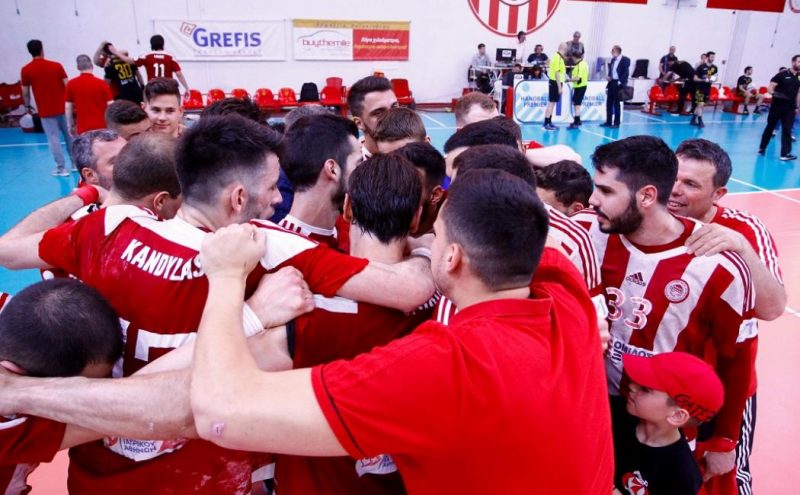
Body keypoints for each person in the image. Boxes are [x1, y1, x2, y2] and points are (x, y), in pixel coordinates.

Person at [0, 114, 434, 493]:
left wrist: (85, 196)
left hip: (96, 474)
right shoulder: (266, 246)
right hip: (200, 478)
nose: (277, 198)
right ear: (238, 198)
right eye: (271, 187)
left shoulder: (107, 226)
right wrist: (425, 248)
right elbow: (406, 291)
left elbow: (10, 251)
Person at [182, 163, 614, 494]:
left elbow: (220, 412)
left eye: (436, 235)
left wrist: (226, 276)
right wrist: (420, 259)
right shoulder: (566, 294)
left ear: (453, 257)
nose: (426, 239)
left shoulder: (446, 364)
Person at [571, 135, 756, 486]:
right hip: (592, 403)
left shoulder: (716, 265)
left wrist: (725, 438)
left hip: (664, 421)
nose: (592, 200)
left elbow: (737, 359)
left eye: (606, 191)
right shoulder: (582, 232)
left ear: (646, 196)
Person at [273, 154, 431, 495]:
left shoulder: (301, 306)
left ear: (347, 209)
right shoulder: (444, 302)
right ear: (416, 219)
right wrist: (425, 254)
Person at [668, 138, 786, 495]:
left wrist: (740, 247)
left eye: (690, 184)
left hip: (724, 390)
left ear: (718, 194)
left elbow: (772, 307)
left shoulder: (744, 228)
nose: (675, 190)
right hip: (660, 385)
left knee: (728, 477)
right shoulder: (650, 218)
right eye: (673, 177)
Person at [0, 279, 123, 495]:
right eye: (83, 387)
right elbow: (128, 416)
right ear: (15, 373)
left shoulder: (19, 321)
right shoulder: (6, 424)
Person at [613, 352, 723, 495]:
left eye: (645, 389)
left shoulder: (682, 474)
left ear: (677, 416)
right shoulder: (615, 412)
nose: (632, 386)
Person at [279, 113, 362, 249]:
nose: (365, 173)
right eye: (359, 164)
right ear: (332, 170)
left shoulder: (352, 229)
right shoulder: (282, 250)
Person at [20, 39, 73, 176]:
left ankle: (61, 168)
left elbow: (25, 92)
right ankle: (75, 164)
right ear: (42, 49)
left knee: (53, 139)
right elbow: (67, 85)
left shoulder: (26, 70)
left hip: (45, 110)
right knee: (69, 136)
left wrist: (27, 106)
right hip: (63, 107)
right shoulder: (56, 66)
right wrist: (71, 104)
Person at [392, 142, 447, 236]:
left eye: (410, 187)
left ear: (435, 195)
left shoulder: (455, 226)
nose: (397, 191)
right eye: (394, 182)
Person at [111, 35, 189, 93]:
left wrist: (115, 52)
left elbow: (129, 60)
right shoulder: (170, 56)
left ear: (151, 44)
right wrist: (186, 88)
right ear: (163, 44)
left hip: (153, 88)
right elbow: (179, 74)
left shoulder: (147, 56)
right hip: (167, 88)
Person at [758, 55, 800, 160]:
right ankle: (762, 147)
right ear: (793, 62)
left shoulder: (799, 77)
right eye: (799, 61)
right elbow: (770, 89)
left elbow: (798, 93)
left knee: (787, 130)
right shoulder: (781, 75)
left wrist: (797, 107)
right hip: (777, 106)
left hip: (790, 108)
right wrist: (777, 94)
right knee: (770, 127)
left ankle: (785, 154)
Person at [346, 76, 399, 157]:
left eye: (394, 107)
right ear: (359, 123)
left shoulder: (415, 152)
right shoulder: (353, 163)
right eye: (379, 113)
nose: (393, 117)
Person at [65, 54, 113, 135]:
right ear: (92, 66)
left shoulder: (71, 84)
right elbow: (111, 105)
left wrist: (69, 125)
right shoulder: (101, 83)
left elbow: (67, 108)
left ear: (78, 68)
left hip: (83, 128)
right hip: (102, 126)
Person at [602, 45, 630, 129]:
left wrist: (620, 82)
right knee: (609, 103)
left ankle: (616, 123)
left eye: (612, 51)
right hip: (612, 82)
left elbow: (625, 73)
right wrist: (609, 77)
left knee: (616, 104)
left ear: (617, 51)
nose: (611, 52)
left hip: (618, 83)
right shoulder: (613, 60)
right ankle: (608, 121)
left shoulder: (625, 60)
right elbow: (612, 70)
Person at [543, 42, 568, 130]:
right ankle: (546, 122)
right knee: (551, 103)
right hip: (555, 82)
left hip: (556, 82)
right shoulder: (557, 57)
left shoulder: (558, 57)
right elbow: (557, 73)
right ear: (564, 49)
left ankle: (549, 121)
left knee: (552, 103)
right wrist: (559, 87)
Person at [691, 51, 718, 128]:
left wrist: (711, 79)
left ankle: (693, 119)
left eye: (714, 57)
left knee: (699, 105)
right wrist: (702, 80)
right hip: (699, 88)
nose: (713, 58)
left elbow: (715, 78)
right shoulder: (701, 67)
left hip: (707, 89)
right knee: (701, 104)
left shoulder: (715, 68)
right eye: (711, 57)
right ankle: (700, 121)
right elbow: (695, 78)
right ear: (707, 57)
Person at [568, 50, 589, 129]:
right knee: (576, 104)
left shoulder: (581, 64)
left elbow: (578, 78)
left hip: (580, 86)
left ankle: (576, 121)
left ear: (575, 57)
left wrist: (569, 80)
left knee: (577, 104)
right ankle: (578, 120)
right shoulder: (581, 64)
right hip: (579, 86)